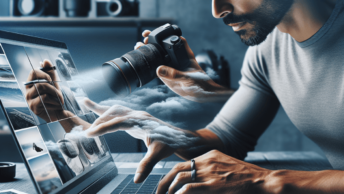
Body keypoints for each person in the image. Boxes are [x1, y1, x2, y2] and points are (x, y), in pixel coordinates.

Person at [32, 0, 344, 193]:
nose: (217, 8)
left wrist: (269, 182)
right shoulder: (267, 51)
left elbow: (258, 175)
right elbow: (227, 139)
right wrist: (164, 132)